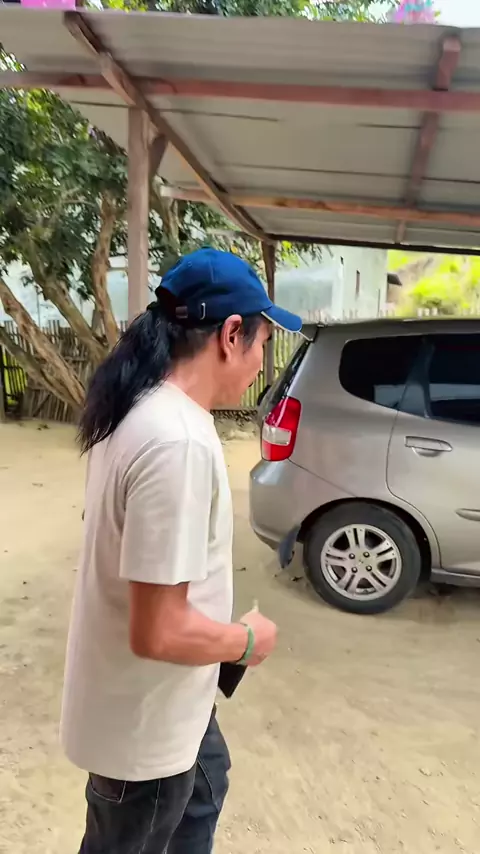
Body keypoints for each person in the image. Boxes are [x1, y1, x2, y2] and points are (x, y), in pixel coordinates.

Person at [61, 248, 302, 854]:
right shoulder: (177, 442)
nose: (262, 362)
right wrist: (246, 641)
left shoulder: (139, 410)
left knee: (205, 789)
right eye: (263, 342)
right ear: (230, 335)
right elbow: (159, 631)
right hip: (145, 738)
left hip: (160, 706)